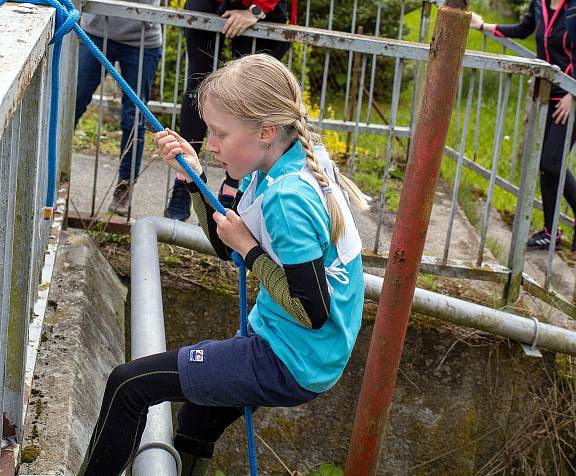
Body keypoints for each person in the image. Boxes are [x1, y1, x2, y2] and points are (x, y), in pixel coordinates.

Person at [78, 54, 367, 475]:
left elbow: (311, 311)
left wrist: (249, 249)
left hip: (292, 355)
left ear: (265, 132)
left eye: (219, 133)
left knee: (129, 384)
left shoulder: (289, 197)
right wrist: (192, 178)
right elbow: (224, 242)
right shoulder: (283, 162)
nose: (210, 145)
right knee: (196, 418)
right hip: (300, 347)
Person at [470, 0, 576, 253]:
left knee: (552, 162)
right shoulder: (539, 4)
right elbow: (522, 30)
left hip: (573, 98)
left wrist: (572, 95)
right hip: (546, 95)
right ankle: (550, 231)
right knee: (546, 166)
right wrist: (482, 25)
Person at [164, 0, 292, 221]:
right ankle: (184, 177)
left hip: (265, 9)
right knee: (198, 86)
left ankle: (234, 187)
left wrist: (257, 9)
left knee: (251, 96)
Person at [74, 0, 162, 215]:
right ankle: (53, 172)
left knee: (134, 118)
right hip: (95, 29)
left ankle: (125, 185)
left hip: (143, 39)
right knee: (72, 104)